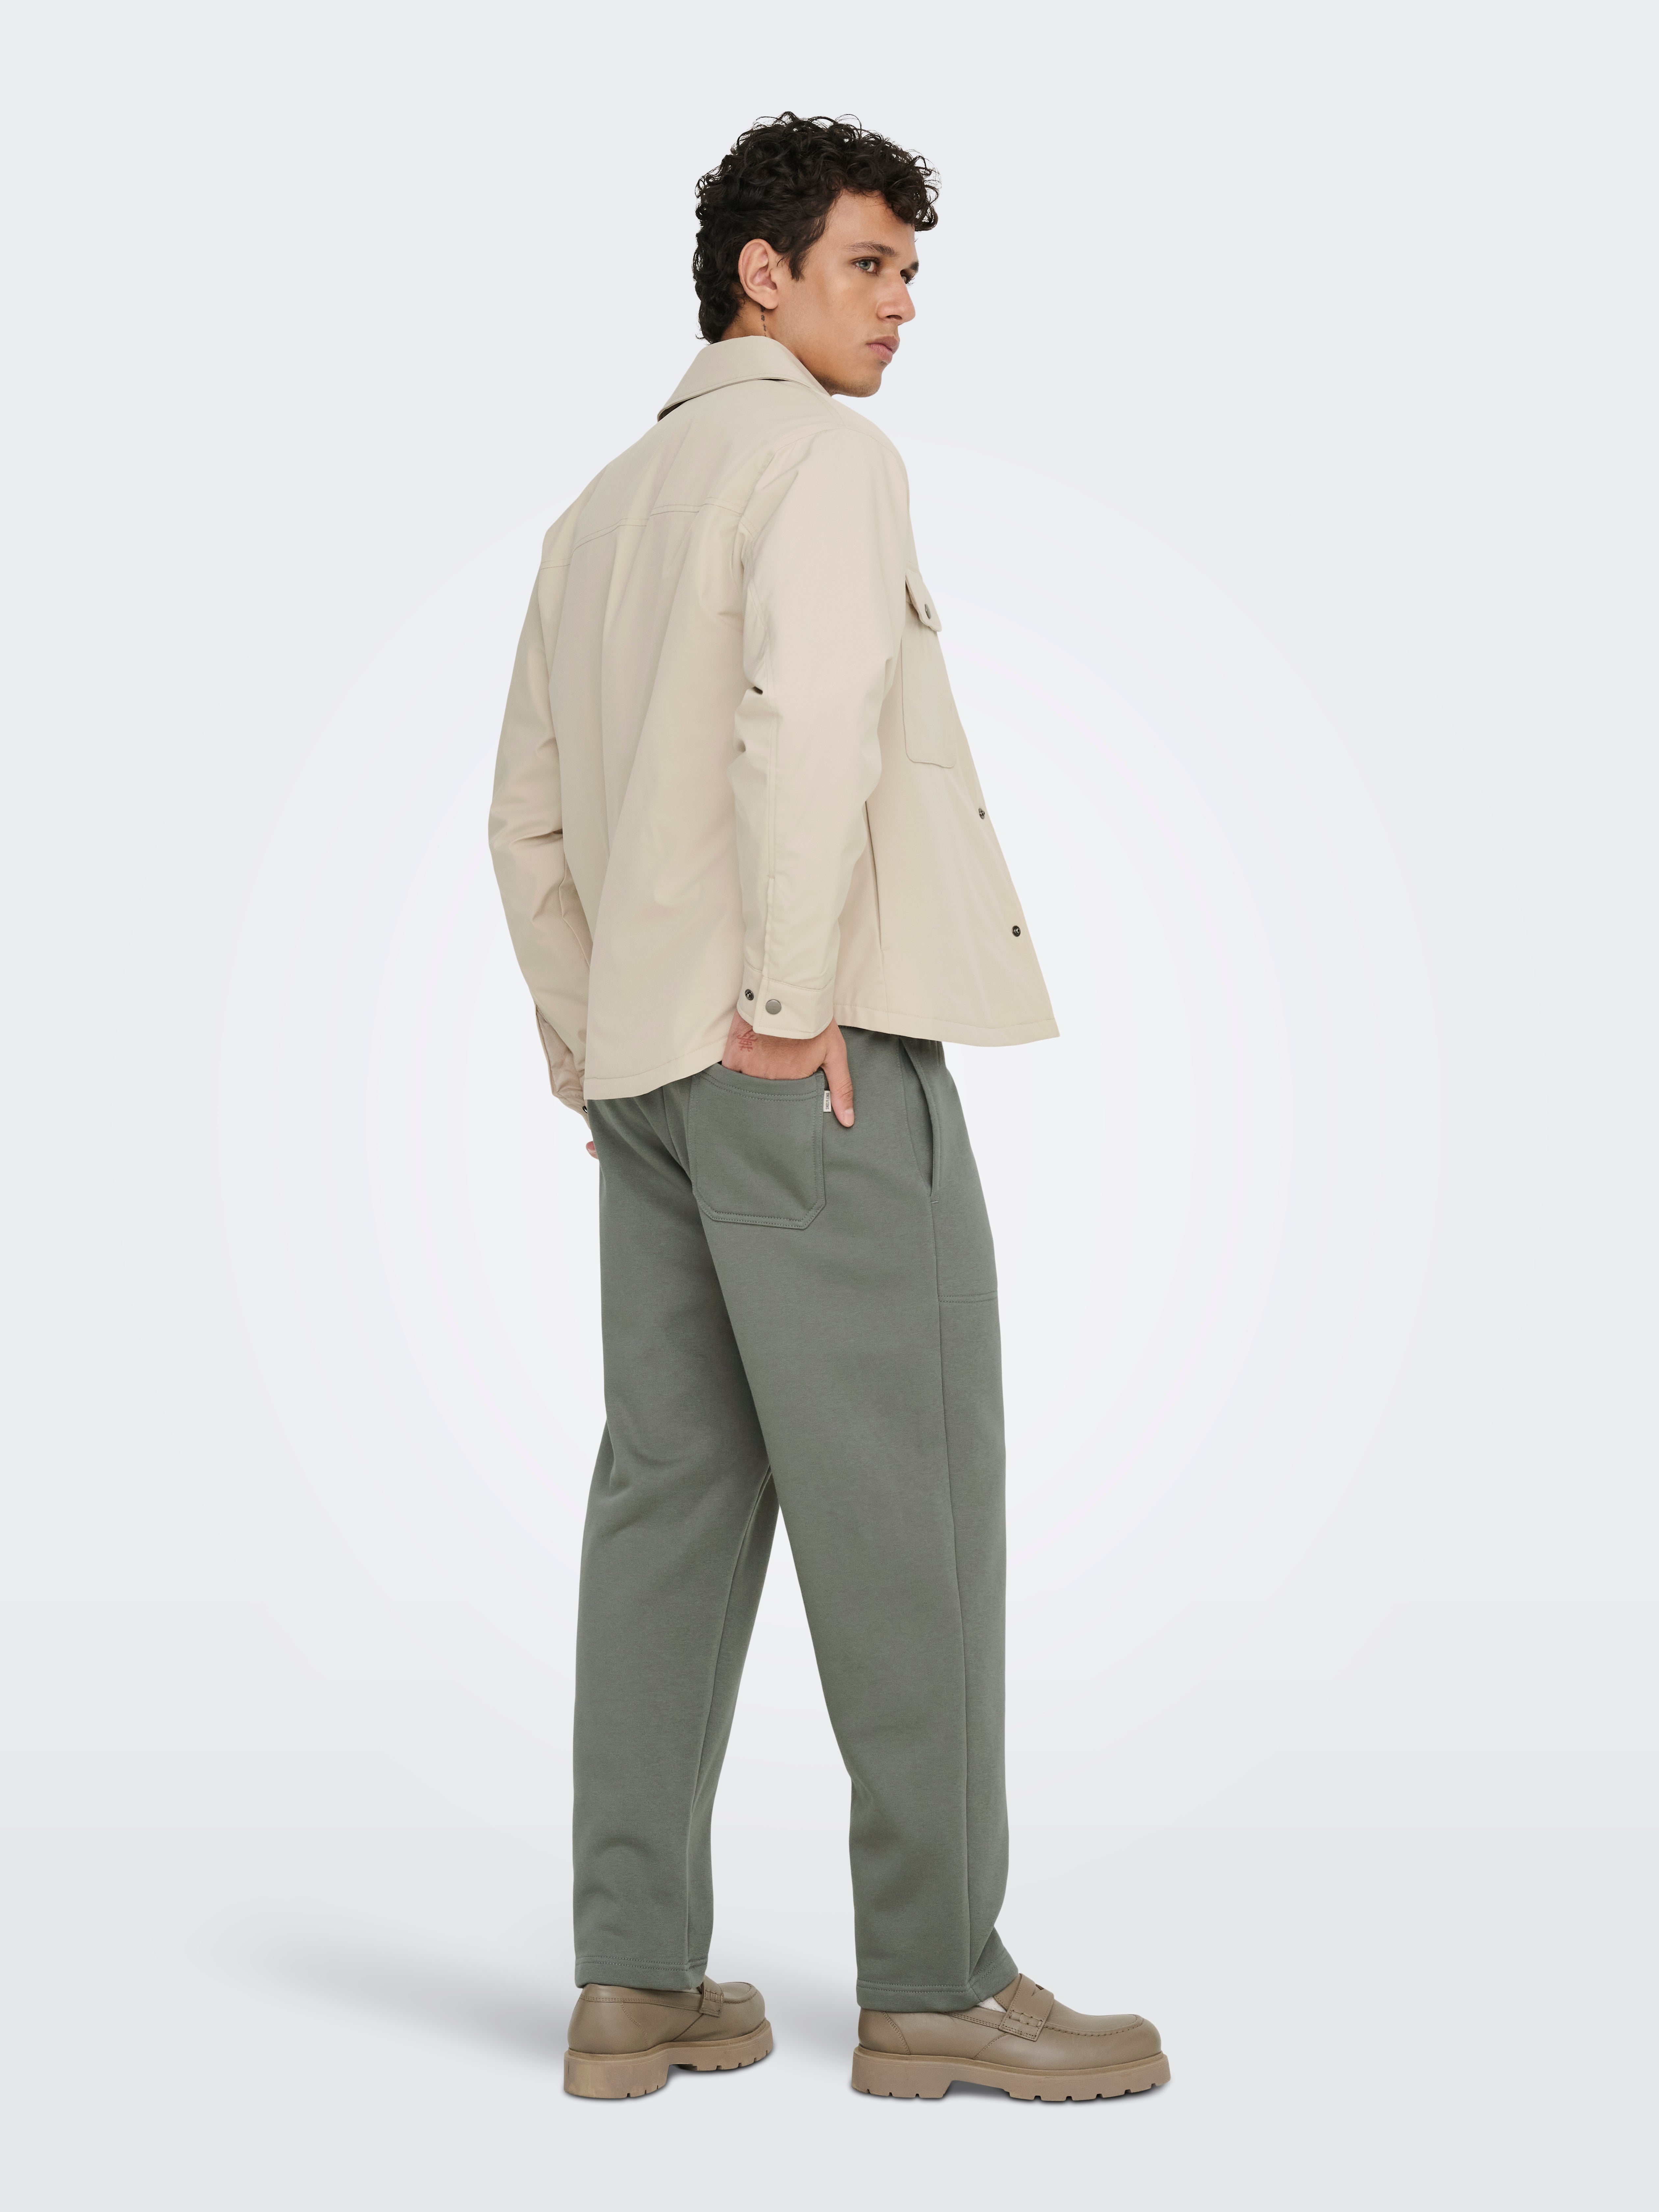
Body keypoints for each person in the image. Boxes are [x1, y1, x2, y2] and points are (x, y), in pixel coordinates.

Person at [489, 112, 1168, 2105]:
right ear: (761, 273)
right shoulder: (824, 464)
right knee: (914, 1511)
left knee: (668, 1506)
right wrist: (787, 1007)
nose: (902, 307)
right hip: (812, 1059)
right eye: (870, 265)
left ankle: (635, 1983)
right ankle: (939, 1981)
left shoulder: (598, 512)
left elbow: (524, 819)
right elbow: (809, 729)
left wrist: (597, 1044)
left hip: (653, 1079)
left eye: (911, 274)